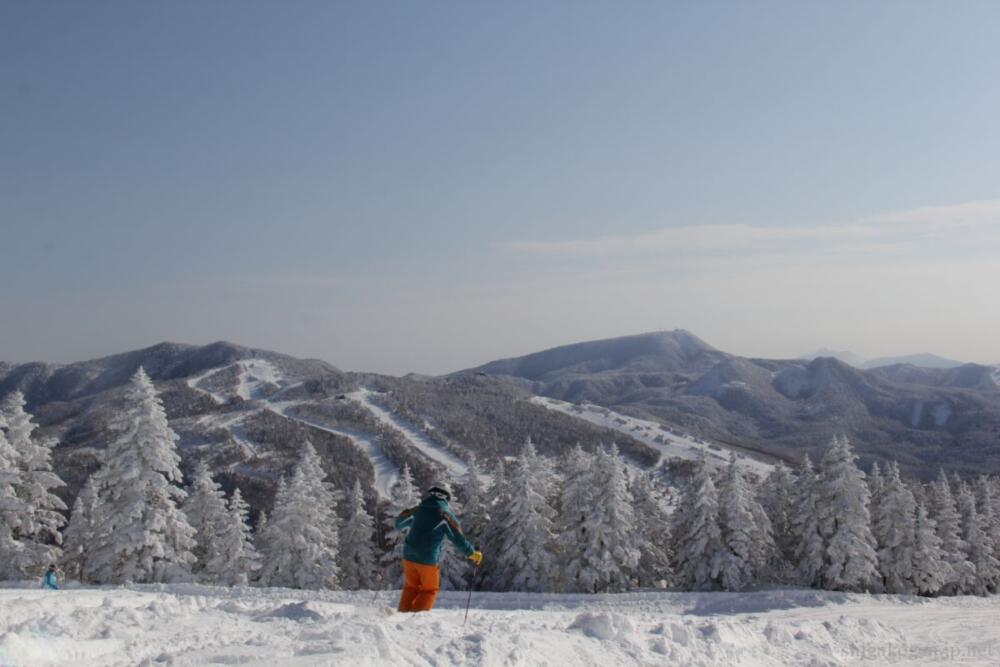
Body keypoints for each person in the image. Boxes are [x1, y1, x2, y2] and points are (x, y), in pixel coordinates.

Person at [394, 482, 483, 613]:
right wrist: (472, 553)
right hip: (427, 557)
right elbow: (457, 538)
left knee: (411, 587)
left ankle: (402, 615)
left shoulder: (418, 509)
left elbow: (398, 524)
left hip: (408, 555)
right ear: (447, 498)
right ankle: (416, 621)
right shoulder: (445, 514)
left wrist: (414, 520)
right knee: (429, 590)